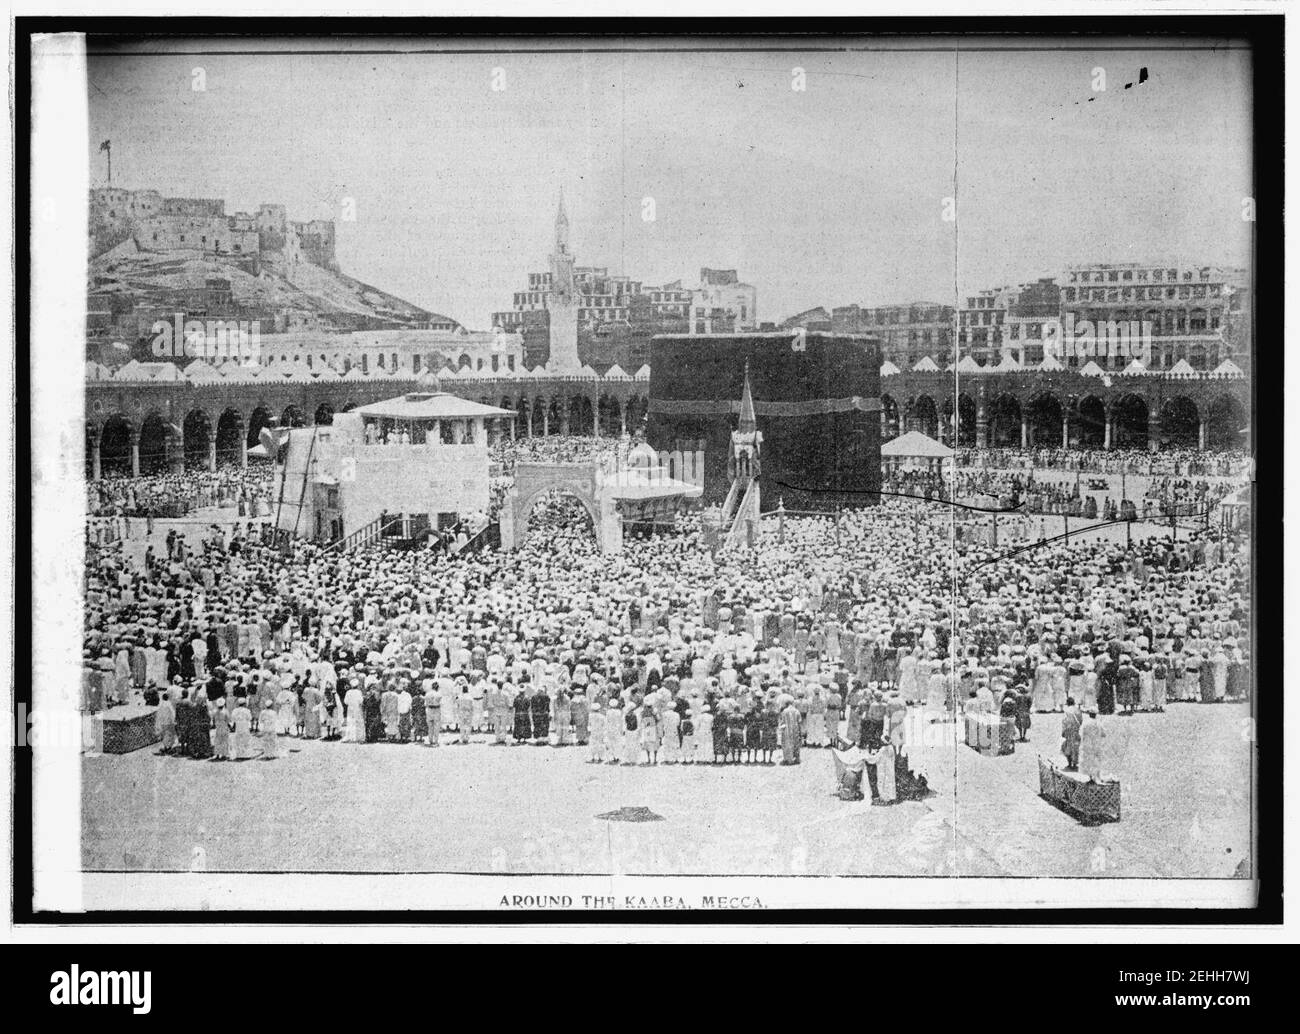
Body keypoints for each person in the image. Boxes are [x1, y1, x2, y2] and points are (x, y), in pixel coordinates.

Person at [1079, 712, 1106, 781]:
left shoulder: (1085, 723)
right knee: (1097, 760)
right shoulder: (1098, 723)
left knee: (1089, 760)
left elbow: (1081, 733)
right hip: (1096, 743)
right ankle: (1097, 776)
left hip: (1088, 744)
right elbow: (1104, 734)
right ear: (1095, 715)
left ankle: (1090, 777)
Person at [1060, 697, 1082, 771]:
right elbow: (1081, 720)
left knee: (1067, 746)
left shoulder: (1066, 711)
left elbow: (1064, 721)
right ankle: (1075, 764)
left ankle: (1069, 763)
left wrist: (1063, 731)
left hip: (1069, 731)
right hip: (1076, 730)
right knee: (1075, 747)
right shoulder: (1078, 710)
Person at [779, 695, 802, 765]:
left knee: (787, 744)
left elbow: (782, 722)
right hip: (795, 729)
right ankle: (797, 758)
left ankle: (788, 759)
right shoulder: (797, 711)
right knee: (796, 743)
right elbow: (799, 721)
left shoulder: (784, 711)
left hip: (787, 730)